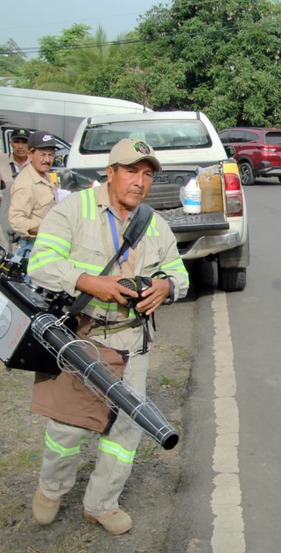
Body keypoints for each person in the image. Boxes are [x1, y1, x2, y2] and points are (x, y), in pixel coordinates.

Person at [26, 138, 190, 535]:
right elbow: (40, 264)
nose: (140, 182)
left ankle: (101, 503)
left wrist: (167, 287)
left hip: (133, 342)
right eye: (132, 171)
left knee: (125, 430)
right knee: (69, 426)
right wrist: (88, 282)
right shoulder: (73, 209)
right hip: (84, 339)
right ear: (110, 173)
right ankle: (52, 488)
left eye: (148, 174)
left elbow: (180, 274)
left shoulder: (155, 222)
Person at [10, 130, 58, 257]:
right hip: (31, 247)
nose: (47, 160)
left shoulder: (44, 175)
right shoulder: (25, 183)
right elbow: (16, 220)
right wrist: (44, 229)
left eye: (51, 155)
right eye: (42, 155)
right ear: (30, 155)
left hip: (47, 244)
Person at [0, 128, 30, 251]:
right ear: (11, 143)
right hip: (7, 212)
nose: (20, 146)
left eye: (24, 142)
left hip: (28, 213)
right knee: (7, 249)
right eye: (17, 142)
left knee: (26, 249)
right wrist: (0, 196)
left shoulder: (34, 162)